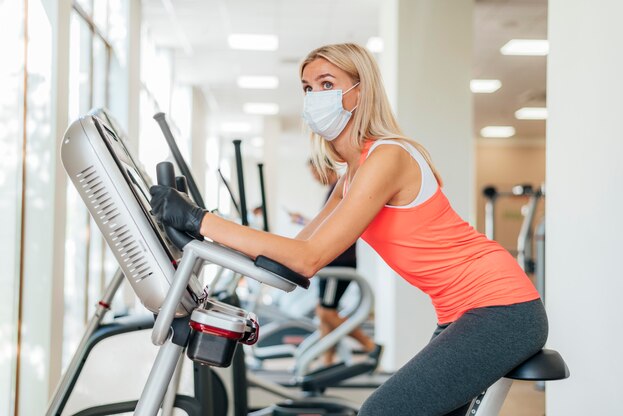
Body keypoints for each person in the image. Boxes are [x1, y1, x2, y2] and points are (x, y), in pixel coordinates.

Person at [150, 43, 546, 415]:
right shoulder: (351, 175)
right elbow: (295, 249)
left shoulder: (388, 156)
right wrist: (205, 236)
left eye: (327, 84)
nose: (313, 96)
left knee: (380, 412)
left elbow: (308, 260)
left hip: (502, 309)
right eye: (307, 87)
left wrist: (200, 219)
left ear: (360, 92)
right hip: (460, 312)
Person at [288, 159, 381, 366]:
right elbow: (325, 223)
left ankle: (371, 347)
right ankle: (327, 361)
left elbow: (330, 227)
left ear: (324, 168)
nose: (313, 177)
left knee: (326, 312)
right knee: (325, 315)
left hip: (338, 262)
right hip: (334, 261)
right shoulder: (334, 190)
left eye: (314, 172)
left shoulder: (339, 190)